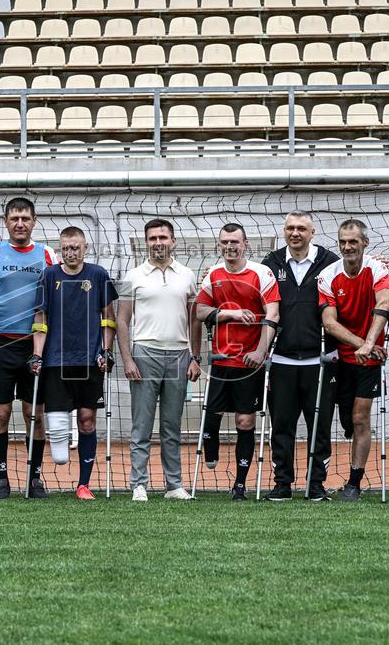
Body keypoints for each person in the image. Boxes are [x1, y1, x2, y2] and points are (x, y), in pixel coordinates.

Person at [0, 198, 57, 498]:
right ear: (6, 221)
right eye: (14, 218)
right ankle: (1, 478)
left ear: (34, 221)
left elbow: (52, 305)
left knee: (34, 413)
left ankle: (34, 478)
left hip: (34, 344)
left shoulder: (47, 254)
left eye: (25, 218)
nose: (20, 223)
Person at [30, 227, 117, 500]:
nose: (70, 252)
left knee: (87, 421)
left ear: (85, 248)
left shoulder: (98, 275)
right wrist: (37, 354)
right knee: (56, 433)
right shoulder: (49, 275)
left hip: (89, 361)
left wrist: (106, 350)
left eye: (75, 247)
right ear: (60, 249)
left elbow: (108, 316)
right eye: (66, 248)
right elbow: (40, 318)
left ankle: (83, 484)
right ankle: (46, 475)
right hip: (56, 362)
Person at [117, 219, 201, 502]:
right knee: (141, 425)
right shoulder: (134, 276)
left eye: (163, 237)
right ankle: (138, 484)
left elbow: (194, 321)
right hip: (144, 354)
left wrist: (194, 357)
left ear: (173, 241)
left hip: (178, 355)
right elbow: (122, 320)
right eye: (152, 238)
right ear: (146, 242)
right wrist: (127, 359)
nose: (158, 242)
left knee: (171, 426)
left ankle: (173, 485)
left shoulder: (188, 275)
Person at [195, 223, 280, 501]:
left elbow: (274, 314)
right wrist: (229, 314)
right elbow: (200, 311)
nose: (229, 247)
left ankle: (240, 485)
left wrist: (259, 351)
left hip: (249, 363)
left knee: (245, 421)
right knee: (213, 417)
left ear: (245, 244)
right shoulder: (213, 274)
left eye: (234, 242)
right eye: (224, 242)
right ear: (219, 245)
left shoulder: (261, 273)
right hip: (221, 360)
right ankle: (211, 450)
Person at [261, 211, 340, 502]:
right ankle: (282, 484)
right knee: (282, 427)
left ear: (312, 232)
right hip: (281, 362)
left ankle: (316, 485)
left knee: (320, 428)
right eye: (290, 228)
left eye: (302, 228)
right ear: (284, 232)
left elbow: (356, 274)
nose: (295, 233)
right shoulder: (271, 263)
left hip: (320, 362)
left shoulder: (330, 262)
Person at [317, 219, 389, 503]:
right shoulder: (328, 276)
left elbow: (383, 304)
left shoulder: (377, 269)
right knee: (346, 418)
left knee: (361, 418)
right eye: (343, 242)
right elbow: (329, 323)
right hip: (341, 357)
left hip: (369, 359)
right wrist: (363, 344)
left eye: (353, 241)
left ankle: (354, 482)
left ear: (365, 243)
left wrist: (371, 344)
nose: (347, 247)